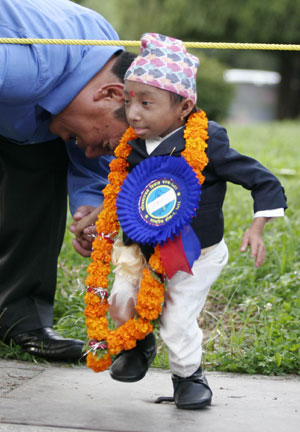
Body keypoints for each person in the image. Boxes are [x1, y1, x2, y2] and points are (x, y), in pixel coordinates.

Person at [83, 33, 287, 410]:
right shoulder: (130, 146)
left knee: (177, 321)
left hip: (195, 255)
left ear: (184, 106)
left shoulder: (206, 142)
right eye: (129, 101)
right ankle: (139, 344)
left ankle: (188, 376)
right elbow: (120, 191)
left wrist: (257, 225)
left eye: (147, 102)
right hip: (141, 251)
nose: (134, 113)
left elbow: (261, 179)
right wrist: (97, 219)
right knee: (121, 299)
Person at [0, 0, 136, 360]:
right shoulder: (21, 69)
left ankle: (21, 319)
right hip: (16, 93)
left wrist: (90, 211)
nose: (97, 152)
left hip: (24, 124)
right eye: (109, 143)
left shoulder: (103, 64)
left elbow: (90, 161)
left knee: (53, 150)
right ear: (111, 95)